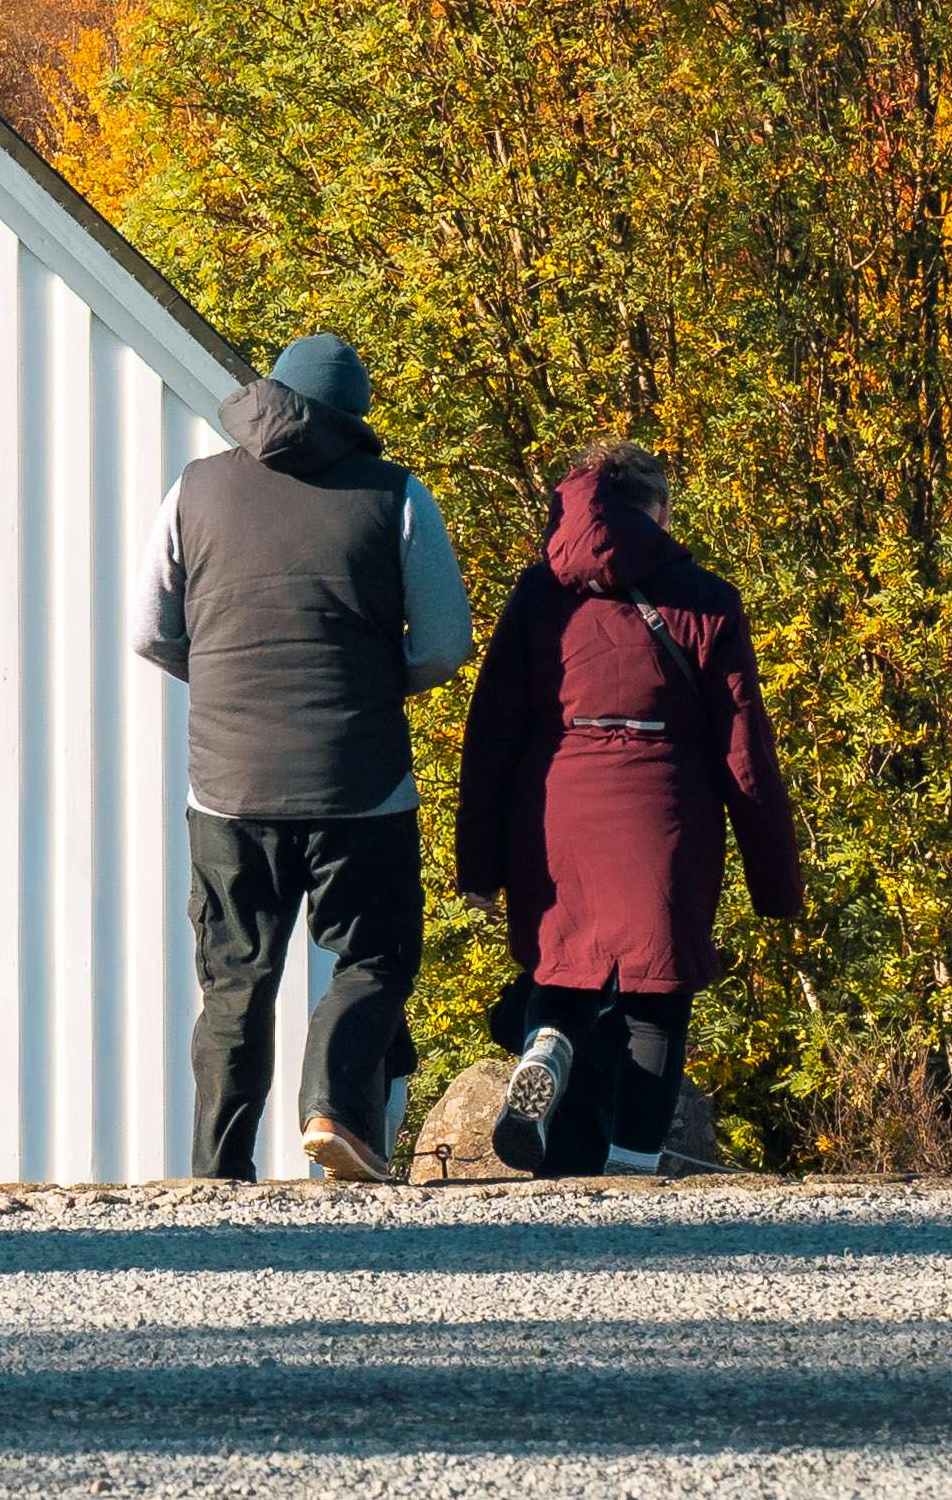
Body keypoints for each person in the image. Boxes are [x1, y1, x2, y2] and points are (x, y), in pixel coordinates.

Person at [143, 325, 468, 1183]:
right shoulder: (396, 495)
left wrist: (217, 679)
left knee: (235, 980)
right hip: (358, 782)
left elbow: (150, 630)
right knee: (374, 956)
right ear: (356, 415)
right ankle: (332, 1108)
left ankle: (216, 1171)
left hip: (225, 788)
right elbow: (443, 644)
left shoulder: (193, 489)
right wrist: (363, 685)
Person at [452, 441, 804, 1177]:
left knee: (562, 973)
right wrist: (775, 878)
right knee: (653, 996)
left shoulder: (539, 594)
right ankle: (633, 1163)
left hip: (555, 809)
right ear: (659, 508)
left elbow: (490, 734)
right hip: (661, 811)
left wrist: (479, 862)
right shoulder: (705, 598)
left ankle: (545, 1044)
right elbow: (744, 751)